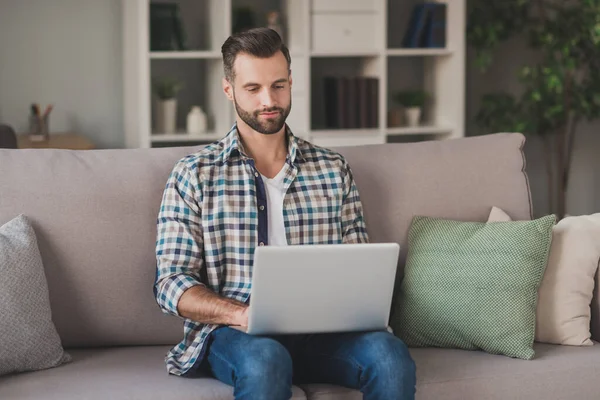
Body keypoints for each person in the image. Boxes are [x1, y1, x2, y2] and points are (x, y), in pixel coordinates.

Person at [154, 27, 416, 400]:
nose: (268, 100)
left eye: (279, 85)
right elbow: (170, 284)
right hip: (237, 335)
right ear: (228, 89)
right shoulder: (194, 174)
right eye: (253, 88)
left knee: (389, 356)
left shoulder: (332, 169)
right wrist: (240, 314)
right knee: (265, 360)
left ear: (291, 82)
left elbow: (359, 265)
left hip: (323, 335)